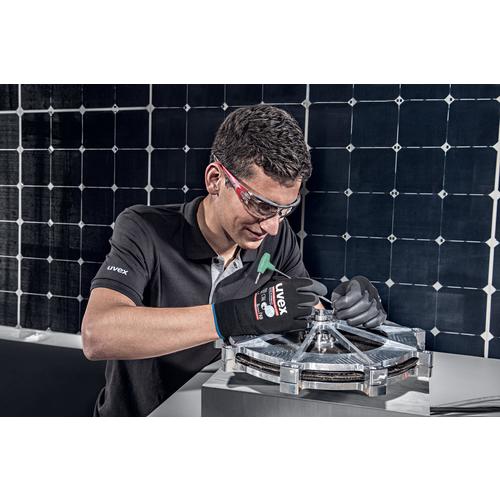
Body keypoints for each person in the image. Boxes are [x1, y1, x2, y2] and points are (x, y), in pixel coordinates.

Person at [81, 104, 386, 417]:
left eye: (284, 209)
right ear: (215, 180)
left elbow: (310, 317)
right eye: (260, 204)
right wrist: (238, 316)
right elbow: (97, 335)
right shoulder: (144, 229)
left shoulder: (276, 239)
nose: (272, 226)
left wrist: (352, 316)